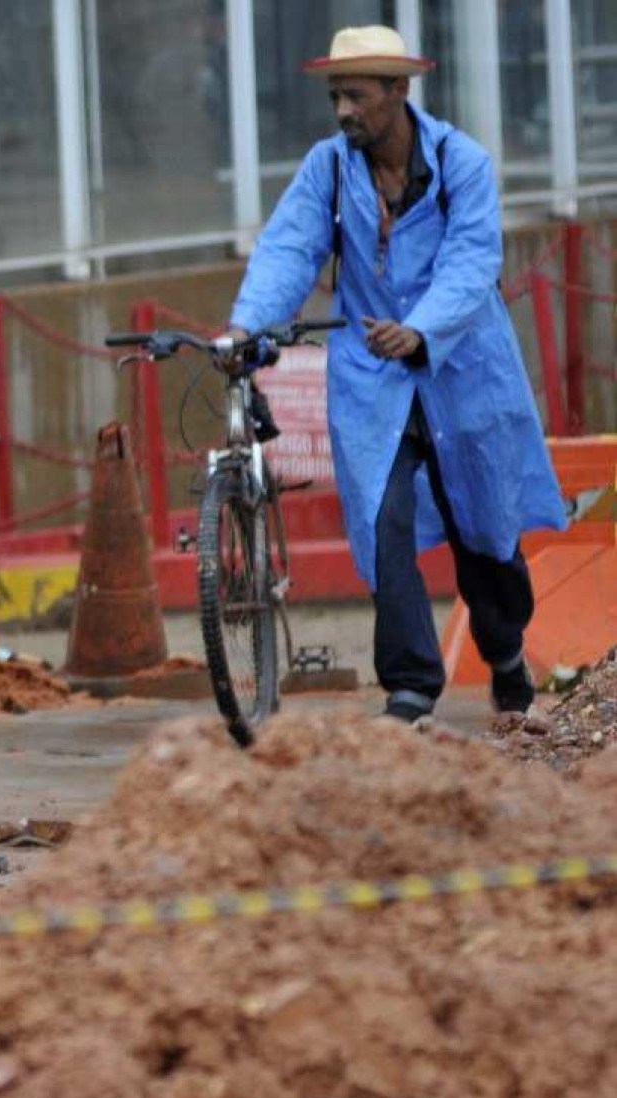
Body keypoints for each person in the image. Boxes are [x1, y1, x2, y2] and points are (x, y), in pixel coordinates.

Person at [224, 25, 564, 723]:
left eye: (357, 95)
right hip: (371, 379)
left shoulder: (461, 164)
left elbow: (472, 264)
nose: (344, 111)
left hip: (461, 369)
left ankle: (504, 653)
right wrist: (246, 326)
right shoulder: (328, 169)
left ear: (398, 91)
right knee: (383, 523)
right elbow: (289, 250)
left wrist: (421, 330)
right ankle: (409, 686)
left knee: (486, 531)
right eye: (335, 96)